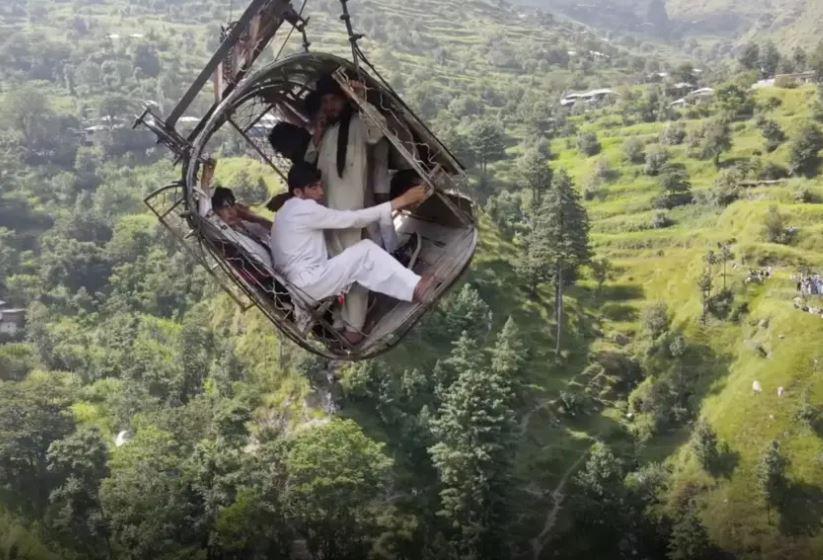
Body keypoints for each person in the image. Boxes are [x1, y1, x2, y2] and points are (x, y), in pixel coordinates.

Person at [270, 162, 437, 345]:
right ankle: (415, 287)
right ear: (297, 193)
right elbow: (353, 220)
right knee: (365, 251)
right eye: (313, 187)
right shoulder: (303, 209)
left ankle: (404, 289)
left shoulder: (284, 212)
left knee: (356, 258)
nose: (320, 193)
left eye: (320, 185)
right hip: (308, 282)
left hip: (301, 284)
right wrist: (401, 201)